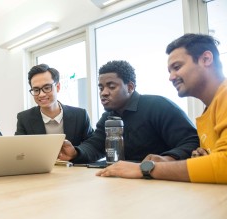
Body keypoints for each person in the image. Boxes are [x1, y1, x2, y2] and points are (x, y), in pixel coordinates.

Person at [98, 34, 227, 183]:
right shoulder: (210, 109)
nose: (171, 77)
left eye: (177, 67)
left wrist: (145, 169)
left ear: (206, 59)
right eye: (169, 71)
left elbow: (223, 164)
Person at [59, 60, 199, 163]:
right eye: (101, 88)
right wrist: (75, 152)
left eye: (111, 87)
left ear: (130, 87)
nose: (104, 93)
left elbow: (192, 141)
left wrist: (168, 158)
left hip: (160, 181)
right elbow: (95, 145)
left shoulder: (158, 106)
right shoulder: (109, 117)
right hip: (125, 180)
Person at [15, 64, 94, 163]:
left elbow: (91, 146)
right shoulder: (24, 118)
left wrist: (75, 152)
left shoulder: (80, 115)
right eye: (36, 90)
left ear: (58, 87)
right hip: (39, 173)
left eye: (47, 88)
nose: (41, 94)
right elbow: (18, 151)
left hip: (74, 172)